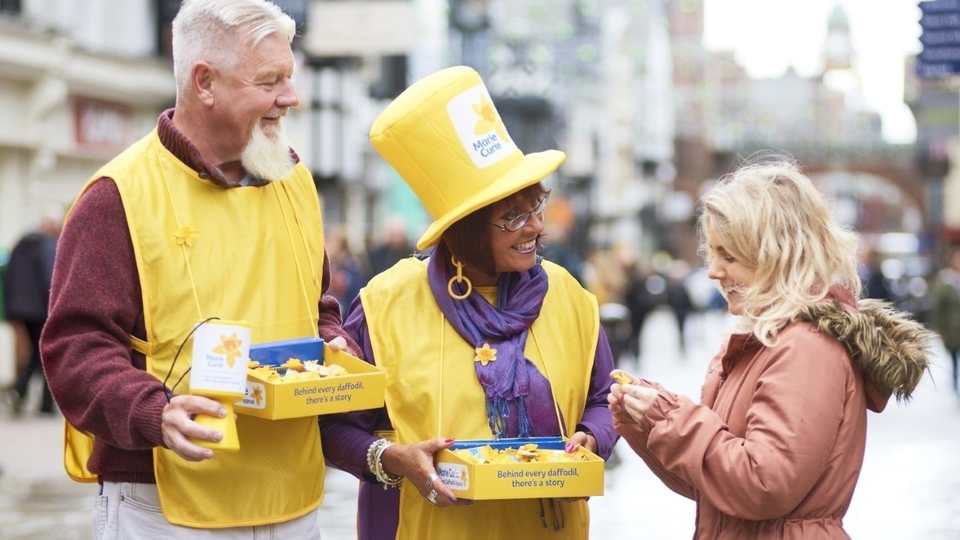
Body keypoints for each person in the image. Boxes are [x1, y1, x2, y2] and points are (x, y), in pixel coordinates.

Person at [39, 0, 358, 537]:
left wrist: (331, 339)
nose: (291, 97)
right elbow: (75, 348)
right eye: (270, 81)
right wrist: (153, 412)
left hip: (293, 498)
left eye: (290, 77)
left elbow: (315, 298)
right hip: (163, 504)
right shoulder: (116, 197)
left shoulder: (295, 179)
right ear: (204, 82)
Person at [320, 65, 619, 539]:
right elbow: (334, 425)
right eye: (513, 215)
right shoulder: (386, 303)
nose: (537, 227)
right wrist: (389, 458)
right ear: (466, 228)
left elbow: (604, 398)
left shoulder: (570, 297)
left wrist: (593, 438)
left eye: (537, 205)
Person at [607, 157, 933, 539]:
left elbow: (764, 484)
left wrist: (670, 418)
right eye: (712, 253)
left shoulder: (806, 348)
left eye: (729, 255)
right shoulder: (759, 342)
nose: (713, 270)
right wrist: (647, 421)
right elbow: (714, 486)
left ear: (778, 255)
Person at [2, 203, 62, 415]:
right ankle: (37, 401)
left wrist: (11, 306)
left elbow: (8, 276)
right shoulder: (47, 247)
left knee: (37, 352)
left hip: (18, 309)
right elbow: (50, 279)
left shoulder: (19, 244)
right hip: (39, 310)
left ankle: (26, 395)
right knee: (44, 352)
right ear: (52, 225)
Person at [928, 246, 960, 395]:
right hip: (953, 329)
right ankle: (955, 385)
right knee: (954, 358)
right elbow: (938, 308)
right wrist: (940, 328)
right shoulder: (946, 282)